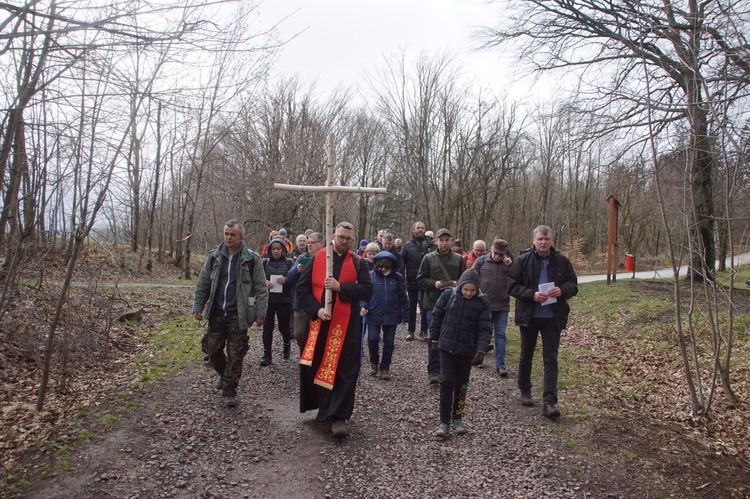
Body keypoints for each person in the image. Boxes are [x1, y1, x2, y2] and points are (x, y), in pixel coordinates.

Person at [297, 222, 373, 438]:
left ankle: (339, 417)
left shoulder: (359, 263)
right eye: (341, 237)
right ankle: (323, 407)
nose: (344, 242)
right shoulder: (318, 257)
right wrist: (316, 310)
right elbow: (302, 289)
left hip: (347, 324)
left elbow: (368, 289)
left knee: (345, 369)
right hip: (321, 321)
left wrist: (342, 287)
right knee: (319, 363)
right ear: (333, 236)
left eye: (349, 239)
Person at [193, 220, 268, 407]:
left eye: (232, 234)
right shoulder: (214, 256)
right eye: (226, 233)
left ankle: (229, 391)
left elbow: (261, 287)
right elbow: (203, 283)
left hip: (239, 315)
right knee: (212, 350)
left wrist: (261, 312)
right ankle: (223, 373)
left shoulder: (252, 259)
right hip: (217, 312)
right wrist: (198, 306)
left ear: (240, 237)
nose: (228, 237)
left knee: (236, 355)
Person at [508, 225, 578, 419]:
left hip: (552, 317)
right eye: (540, 239)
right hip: (529, 315)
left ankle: (549, 400)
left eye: (547, 239)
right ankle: (525, 390)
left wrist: (562, 290)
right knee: (526, 355)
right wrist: (532, 294)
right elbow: (512, 285)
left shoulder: (562, 261)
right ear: (534, 240)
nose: (543, 242)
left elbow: (574, 285)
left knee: (551, 359)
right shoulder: (523, 260)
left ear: (552, 240)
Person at [430, 269, 492, 438]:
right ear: (461, 287)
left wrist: (481, 350)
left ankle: (457, 417)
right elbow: (436, 317)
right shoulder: (448, 296)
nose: (469, 293)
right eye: (466, 290)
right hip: (446, 346)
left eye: (472, 290)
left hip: (466, 350)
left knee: (462, 385)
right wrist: (434, 339)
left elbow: (485, 328)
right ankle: (444, 421)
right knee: (447, 381)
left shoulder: (482, 303)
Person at [417, 228, 466, 384]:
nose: (444, 243)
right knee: (434, 336)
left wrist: (459, 284)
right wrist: (434, 284)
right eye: (441, 240)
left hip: (453, 303)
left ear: (451, 240)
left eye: (447, 240)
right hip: (432, 303)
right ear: (436, 241)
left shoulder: (459, 259)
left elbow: (465, 280)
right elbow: (420, 279)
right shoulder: (428, 258)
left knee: (451, 336)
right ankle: (433, 370)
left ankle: (448, 370)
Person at [360, 251, 409, 380]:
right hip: (374, 313)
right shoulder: (370, 277)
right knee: (372, 339)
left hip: (392, 314)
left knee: (389, 342)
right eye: (380, 266)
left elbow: (403, 297)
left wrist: (406, 314)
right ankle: (374, 362)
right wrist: (364, 306)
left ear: (392, 266)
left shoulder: (397, 277)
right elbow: (364, 294)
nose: (383, 269)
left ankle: (385, 367)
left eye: (386, 267)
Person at [473, 238, 514, 376]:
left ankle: (500, 365)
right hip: (484, 305)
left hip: (502, 306)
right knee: (483, 333)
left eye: (501, 254)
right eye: (496, 253)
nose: (497, 256)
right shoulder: (481, 261)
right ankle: (478, 357)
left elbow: (516, 280)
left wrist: (510, 267)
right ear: (491, 249)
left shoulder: (508, 264)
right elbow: (471, 278)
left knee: (500, 335)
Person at [259, 237, 295, 366]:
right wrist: (265, 282)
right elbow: (258, 278)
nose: (276, 251)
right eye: (273, 249)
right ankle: (267, 354)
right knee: (267, 327)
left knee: (283, 326)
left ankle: (286, 343)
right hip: (268, 300)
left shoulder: (290, 262)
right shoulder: (264, 262)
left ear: (283, 250)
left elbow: (296, 279)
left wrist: (286, 280)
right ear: (270, 250)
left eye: (278, 249)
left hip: (285, 300)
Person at [287, 232, 324, 349]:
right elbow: (289, 277)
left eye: (312, 243)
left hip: (320, 301)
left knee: (318, 333)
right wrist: (297, 270)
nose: (309, 245)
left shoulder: (327, 258)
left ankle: (313, 357)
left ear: (321, 243)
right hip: (302, 302)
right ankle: (303, 353)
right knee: (299, 332)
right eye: (308, 243)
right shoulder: (302, 257)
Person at [400, 221, 435, 341]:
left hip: (427, 282)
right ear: (413, 229)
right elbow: (401, 263)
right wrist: (402, 278)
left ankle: (424, 331)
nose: (420, 230)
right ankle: (411, 331)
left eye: (422, 228)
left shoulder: (431, 245)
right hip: (412, 281)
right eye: (418, 228)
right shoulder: (407, 245)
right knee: (412, 306)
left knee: (425, 307)